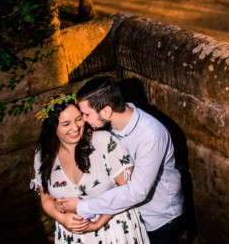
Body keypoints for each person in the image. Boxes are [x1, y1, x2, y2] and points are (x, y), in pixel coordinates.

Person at [55, 77, 186, 244]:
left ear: (107, 112)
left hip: (160, 221)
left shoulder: (150, 136)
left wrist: (82, 207)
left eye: (86, 114)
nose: (84, 120)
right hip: (132, 218)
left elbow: (136, 192)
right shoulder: (110, 124)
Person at [30, 93, 149, 243]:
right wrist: (62, 218)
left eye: (79, 119)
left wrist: (98, 223)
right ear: (53, 127)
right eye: (66, 124)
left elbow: (129, 190)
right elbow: (46, 197)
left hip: (115, 231)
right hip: (71, 236)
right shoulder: (43, 154)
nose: (75, 127)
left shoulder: (104, 141)